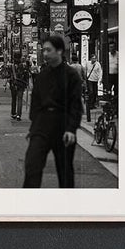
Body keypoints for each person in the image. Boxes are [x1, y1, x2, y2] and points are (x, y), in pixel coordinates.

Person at [23, 33, 83, 188]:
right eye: (43, 50)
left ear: (60, 51)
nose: (45, 54)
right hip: (42, 125)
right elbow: (35, 102)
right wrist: (34, 127)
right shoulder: (42, 75)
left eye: (48, 50)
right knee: (32, 165)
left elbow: (76, 105)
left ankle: (66, 206)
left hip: (63, 125)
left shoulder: (71, 75)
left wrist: (71, 129)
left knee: (64, 171)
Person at [10, 56, 29, 121]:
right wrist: (26, 83)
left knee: (14, 99)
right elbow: (27, 75)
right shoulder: (24, 67)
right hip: (21, 84)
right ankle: (18, 115)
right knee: (20, 99)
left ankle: (13, 113)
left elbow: (8, 75)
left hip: (13, 84)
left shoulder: (12, 66)